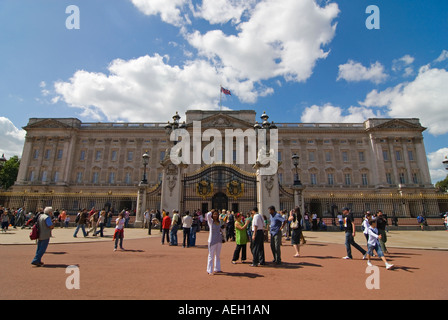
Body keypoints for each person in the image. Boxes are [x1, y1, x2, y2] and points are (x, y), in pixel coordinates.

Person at [206, 209, 224, 275]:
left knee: (218, 255)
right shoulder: (210, 221)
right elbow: (207, 215)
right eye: (214, 214)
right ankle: (209, 270)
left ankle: (217, 268)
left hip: (218, 239)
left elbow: (221, 230)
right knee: (211, 255)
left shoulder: (219, 222)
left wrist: (223, 228)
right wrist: (211, 211)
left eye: (216, 214)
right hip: (212, 240)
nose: (215, 215)